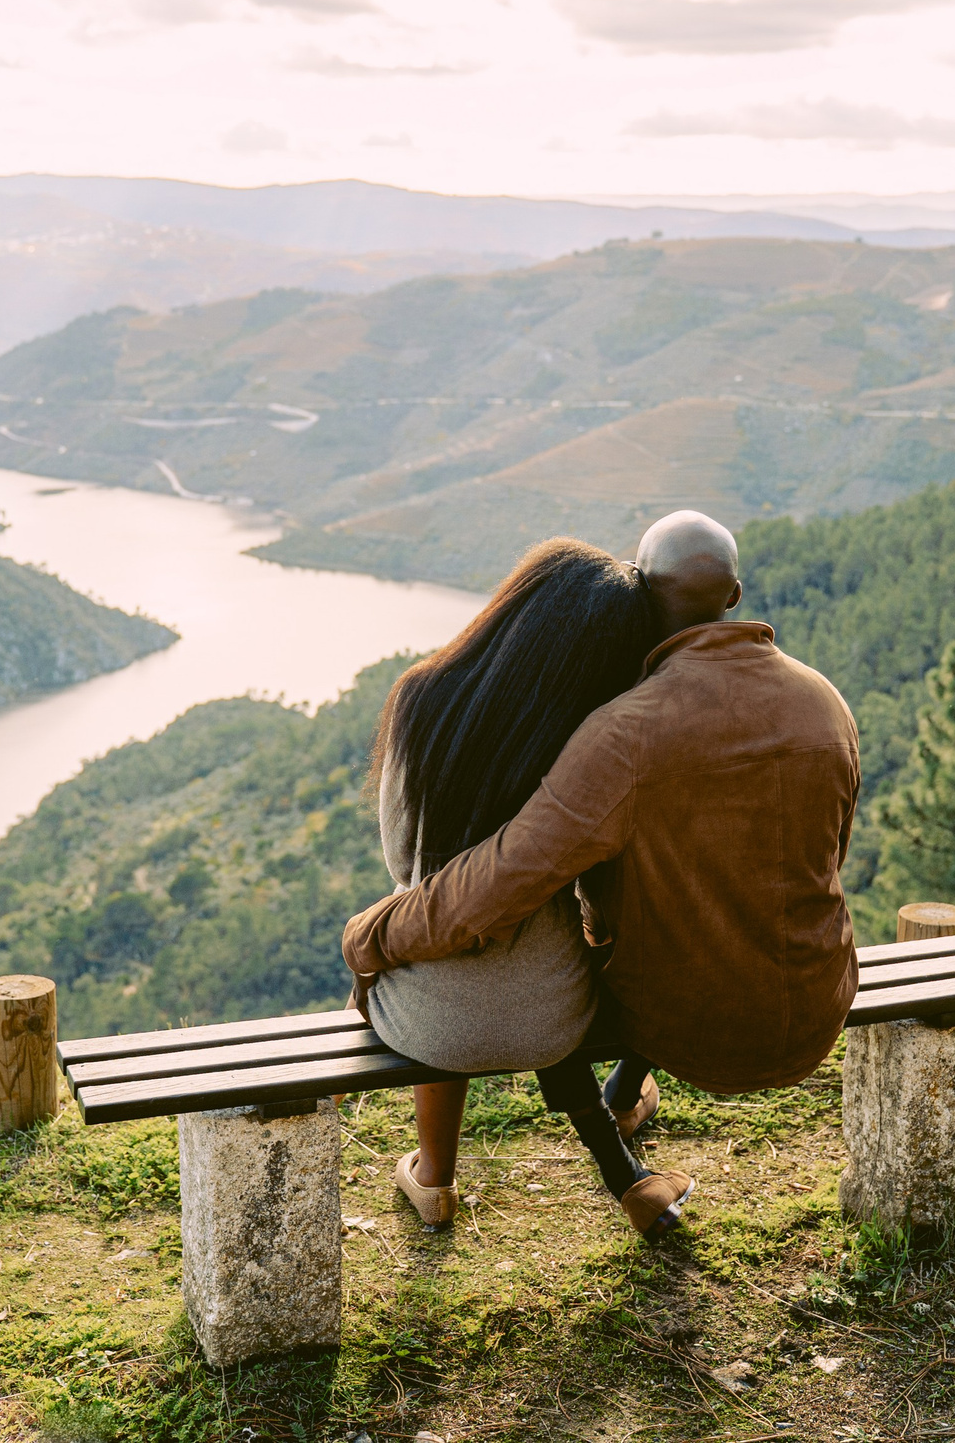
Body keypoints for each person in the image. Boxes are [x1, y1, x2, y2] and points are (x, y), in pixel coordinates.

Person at [345, 509, 863, 1237]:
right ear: (736, 595)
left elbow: (492, 886)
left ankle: (441, 1175)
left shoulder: (624, 732)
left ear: (643, 597)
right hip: (817, 1003)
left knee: (513, 946)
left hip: (688, 1025)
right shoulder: (825, 702)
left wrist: (370, 936)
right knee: (579, 941)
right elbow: (829, 850)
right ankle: (621, 1123)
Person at [357, 537, 657, 1231]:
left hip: (429, 1024)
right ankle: (623, 1107)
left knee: (431, 944)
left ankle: (434, 1179)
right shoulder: (592, 738)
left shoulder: (421, 698)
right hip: (555, 1021)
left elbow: (406, 865)